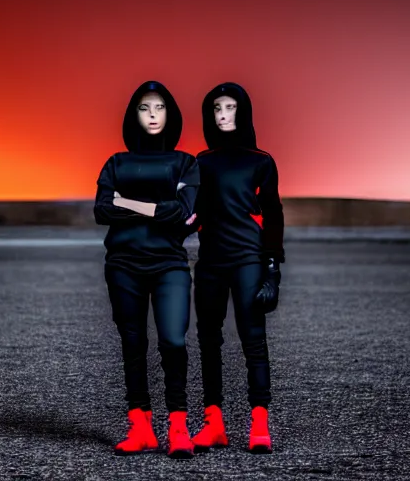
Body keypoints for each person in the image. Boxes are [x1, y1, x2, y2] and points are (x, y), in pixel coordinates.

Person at [94, 81, 199, 459]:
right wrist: (161, 207)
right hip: (123, 264)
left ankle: (178, 427)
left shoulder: (186, 163)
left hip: (169, 264)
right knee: (133, 345)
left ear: (170, 114)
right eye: (144, 108)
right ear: (133, 115)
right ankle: (140, 428)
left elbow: (182, 214)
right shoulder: (116, 162)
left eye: (159, 107)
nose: (152, 115)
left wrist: (129, 202)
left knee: (173, 340)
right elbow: (101, 211)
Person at [187, 82, 285, 454]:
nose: (223, 114)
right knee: (208, 342)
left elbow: (273, 215)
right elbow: (193, 213)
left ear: (243, 111)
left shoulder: (261, 161)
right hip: (211, 260)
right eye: (216, 108)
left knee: (253, 340)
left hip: (248, 259)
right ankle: (214, 424)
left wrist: (272, 271)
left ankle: (259, 423)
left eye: (230, 107)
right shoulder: (202, 161)